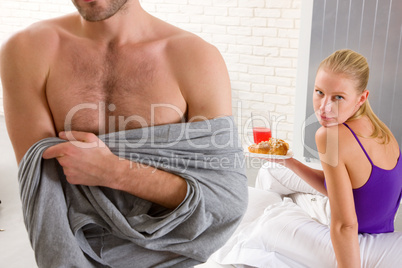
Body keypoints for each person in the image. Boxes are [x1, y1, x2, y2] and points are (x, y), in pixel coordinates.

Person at [0, 1, 248, 267]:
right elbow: (41, 190)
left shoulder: (195, 58)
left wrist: (114, 171)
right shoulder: (27, 50)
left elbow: (226, 202)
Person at [263, 49, 402, 268]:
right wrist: (289, 162)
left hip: (358, 239)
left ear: (361, 98)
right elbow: (353, 190)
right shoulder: (381, 130)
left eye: (338, 97)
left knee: (270, 221)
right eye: (319, 92)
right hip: (380, 226)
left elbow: (345, 225)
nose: (324, 107)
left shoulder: (330, 136)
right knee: (272, 170)